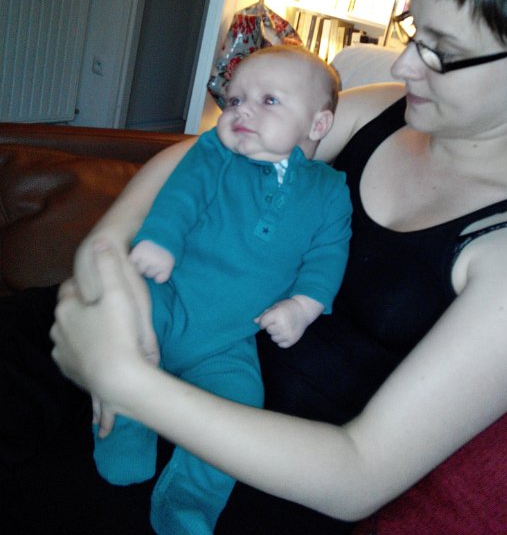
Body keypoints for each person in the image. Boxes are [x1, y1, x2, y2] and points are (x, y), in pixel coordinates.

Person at [2, 0, 507, 535]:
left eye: (441, 51)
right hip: (151, 334)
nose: (404, 64)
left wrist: (123, 380)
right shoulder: (379, 112)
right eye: (413, 30)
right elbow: (200, 157)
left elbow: (359, 473)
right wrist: (107, 257)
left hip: (240, 462)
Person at [92, 45, 352, 535]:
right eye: (234, 100)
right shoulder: (215, 153)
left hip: (227, 341)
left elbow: (329, 254)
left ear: (318, 125)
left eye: (268, 100)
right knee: (123, 335)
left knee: (242, 405)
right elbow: (182, 195)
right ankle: (124, 430)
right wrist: (161, 240)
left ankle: (187, 502)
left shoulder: (330, 190)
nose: (242, 111)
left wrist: (303, 305)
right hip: (167, 297)